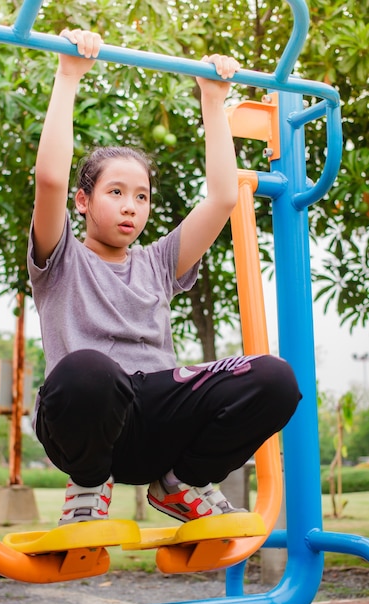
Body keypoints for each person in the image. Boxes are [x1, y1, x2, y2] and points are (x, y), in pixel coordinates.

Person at [27, 28, 302, 526]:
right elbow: (50, 179)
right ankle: (89, 487)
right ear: (83, 201)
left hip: (157, 422)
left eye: (142, 196)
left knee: (274, 378)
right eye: (116, 192)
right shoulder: (60, 257)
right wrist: (68, 77)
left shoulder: (157, 263)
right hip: (86, 425)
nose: (131, 207)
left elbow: (221, 198)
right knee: (89, 369)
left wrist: (214, 102)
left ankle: (182, 481)